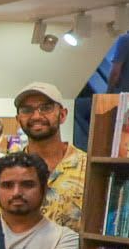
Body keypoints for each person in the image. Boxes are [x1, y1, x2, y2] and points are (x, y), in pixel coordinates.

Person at [12, 81, 87, 230]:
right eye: (27, 110)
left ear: (63, 115)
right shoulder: (6, 171)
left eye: (46, 108)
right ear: (18, 119)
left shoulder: (89, 168)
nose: (36, 116)